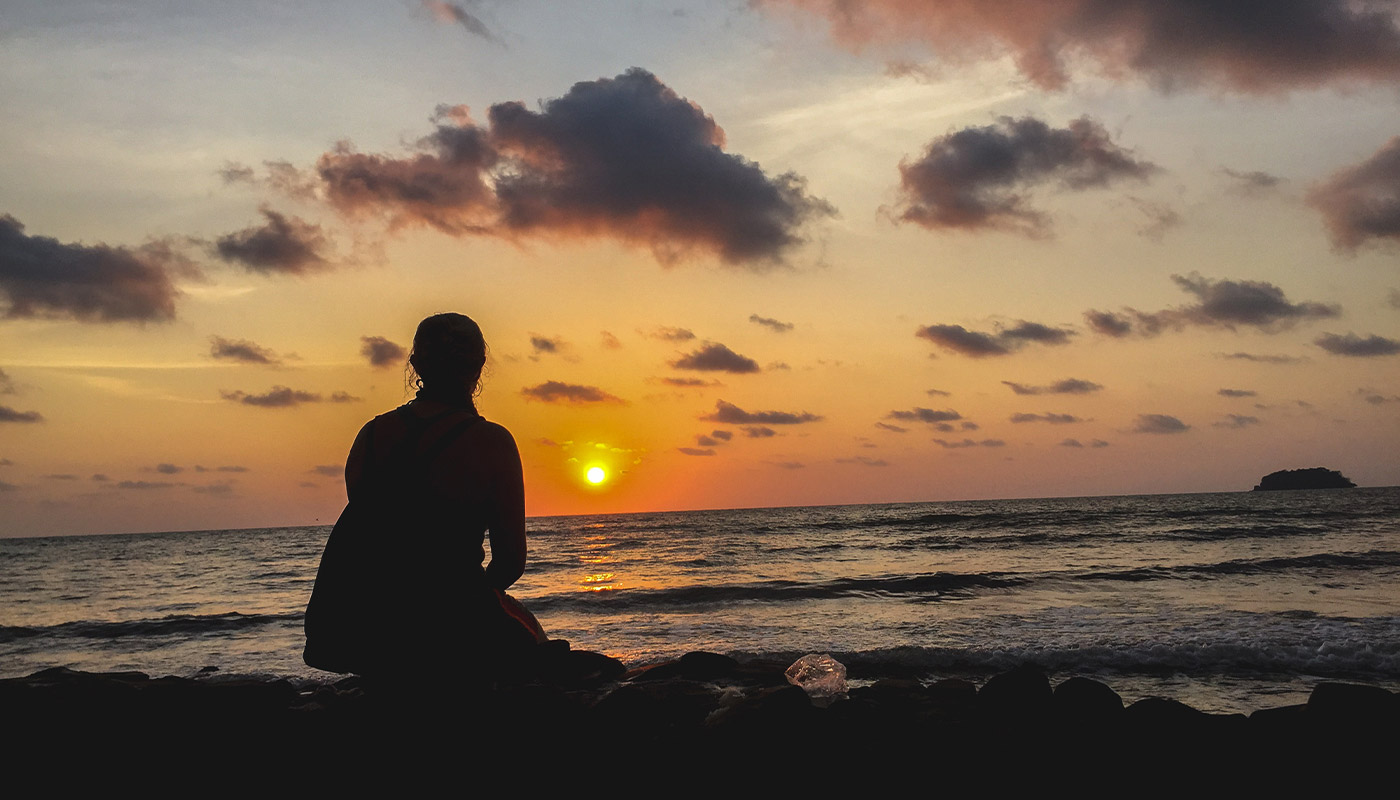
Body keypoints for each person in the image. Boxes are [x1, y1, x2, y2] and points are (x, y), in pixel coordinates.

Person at [304, 313, 544, 682]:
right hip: (450, 629)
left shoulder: (369, 436)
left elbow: (372, 537)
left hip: (373, 631)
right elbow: (509, 563)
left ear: (416, 364)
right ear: (479, 365)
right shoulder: (493, 442)